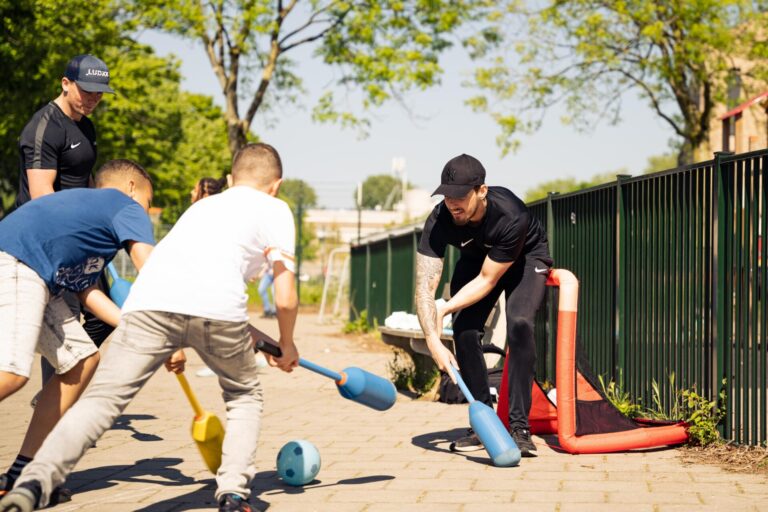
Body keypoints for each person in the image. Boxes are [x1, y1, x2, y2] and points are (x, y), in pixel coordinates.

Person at [0, 143, 300, 512]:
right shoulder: (274, 208)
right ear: (276, 185)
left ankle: (32, 482)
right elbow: (283, 297)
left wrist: (187, 338)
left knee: (99, 398)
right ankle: (233, 493)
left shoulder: (201, 208)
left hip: (147, 305)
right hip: (214, 310)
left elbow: (168, 282)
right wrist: (287, 343)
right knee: (243, 396)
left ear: (228, 179)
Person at [0, 160, 157, 501]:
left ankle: (22, 472)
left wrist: (138, 328)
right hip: (16, 261)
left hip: (39, 276)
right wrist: (170, 329)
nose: (145, 213)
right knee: (12, 373)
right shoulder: (123, 205)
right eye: (148, 201)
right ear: (132, 186)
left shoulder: (89, 222)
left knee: (81, 360)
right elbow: (152, 270)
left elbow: (89, 294)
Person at [414, 153, 553, 458]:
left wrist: (445, 308)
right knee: (464, 328)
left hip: (525, 259)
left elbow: (489, 281)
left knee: (519, 323)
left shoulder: (510, 214)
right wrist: (432, 339)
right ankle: (485, 424)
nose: (453, 203)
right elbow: (424, 289)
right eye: (447, 195)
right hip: (478, 258)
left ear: (481, 191)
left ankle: (519, 427)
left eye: (461, 195)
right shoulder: (439, 220)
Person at [15, 54, 117, 399]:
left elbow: (85, 181)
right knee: (67, 318)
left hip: (80, 238)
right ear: (65, 83)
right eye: (87, 91)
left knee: (103, 315)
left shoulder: (86, 126)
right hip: (48, 244)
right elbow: (42, 195)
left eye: (99, 94)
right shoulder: (44, 126)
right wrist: (66, 253)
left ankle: (54, 398)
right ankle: (54, 403)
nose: (93, 99)